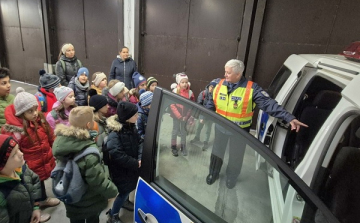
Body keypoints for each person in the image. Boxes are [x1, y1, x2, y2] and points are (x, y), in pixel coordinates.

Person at [205, 59, 308, 189]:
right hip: (220, 128)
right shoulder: (218, 84)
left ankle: (231, 177)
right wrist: (206, 113)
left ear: (238, 74)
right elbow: (210, 98)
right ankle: (213, 173)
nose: (225, 75)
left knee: (236, 156)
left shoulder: (252, 89)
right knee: (217, 152)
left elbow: (269, 104)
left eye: (228, 73)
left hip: (240, 131)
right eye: (225, 72)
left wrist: (288, 117)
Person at [52, 106, 118, 223]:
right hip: (89, 199)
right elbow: (97, 180)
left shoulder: (62, 142)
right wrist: (112, 191)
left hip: (71, 194)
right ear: (88, 125)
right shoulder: (89, 153)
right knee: (93, 219)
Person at [1, 88, 59, 214]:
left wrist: (54, 147)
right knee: (30, 186)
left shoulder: (40, 120)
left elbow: (49, 136)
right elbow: (14, 150)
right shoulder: (16, 131)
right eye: (30, 111)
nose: (35, 113)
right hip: (28, 164)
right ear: (21, 113)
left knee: (40, 183)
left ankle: (43, 199)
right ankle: (35, 209)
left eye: (36, 109)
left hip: (42, 159)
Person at [105, 101, 142, 223]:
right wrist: (135, 163)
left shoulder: (131, 127)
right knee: (123, 192)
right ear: (127, 118)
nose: (138, 117)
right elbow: (117, 154)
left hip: (131, 168)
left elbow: (140, 141)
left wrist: (140, 157)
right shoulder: (115, 134)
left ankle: (124, 201)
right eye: (135, 115)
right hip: (121, 171)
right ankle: (113, 214)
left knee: (128, 189)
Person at [0, 135, 50, 223]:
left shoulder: (21, 168)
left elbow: (35, 180)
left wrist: (36, 207)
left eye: (18, 149)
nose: (21, 153)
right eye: (14, 154)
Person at [170, 73, 195, 157]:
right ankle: (173, 146)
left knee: (183, 132)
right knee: (175, 130)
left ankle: (183, 146)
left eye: (186, 82)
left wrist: (186, 116)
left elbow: (191, 105)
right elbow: (172, 105)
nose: (185, 84)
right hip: (176, 116)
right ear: (178, 83)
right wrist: (179, 116)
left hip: (185, 117)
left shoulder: (190, 93)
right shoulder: (175, 91)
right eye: (182, 82)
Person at [190, 79, 219, 151]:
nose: (211, 88)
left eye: (214, 87)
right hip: (202, 114)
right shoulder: (203, 93)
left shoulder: (216, 96)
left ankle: (205, 142)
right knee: (198, 127)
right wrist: (201, 117)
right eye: (211, 86)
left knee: (207, 130)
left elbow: (214, 107)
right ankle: (197, 137)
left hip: (210, 116)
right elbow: (200, 106)